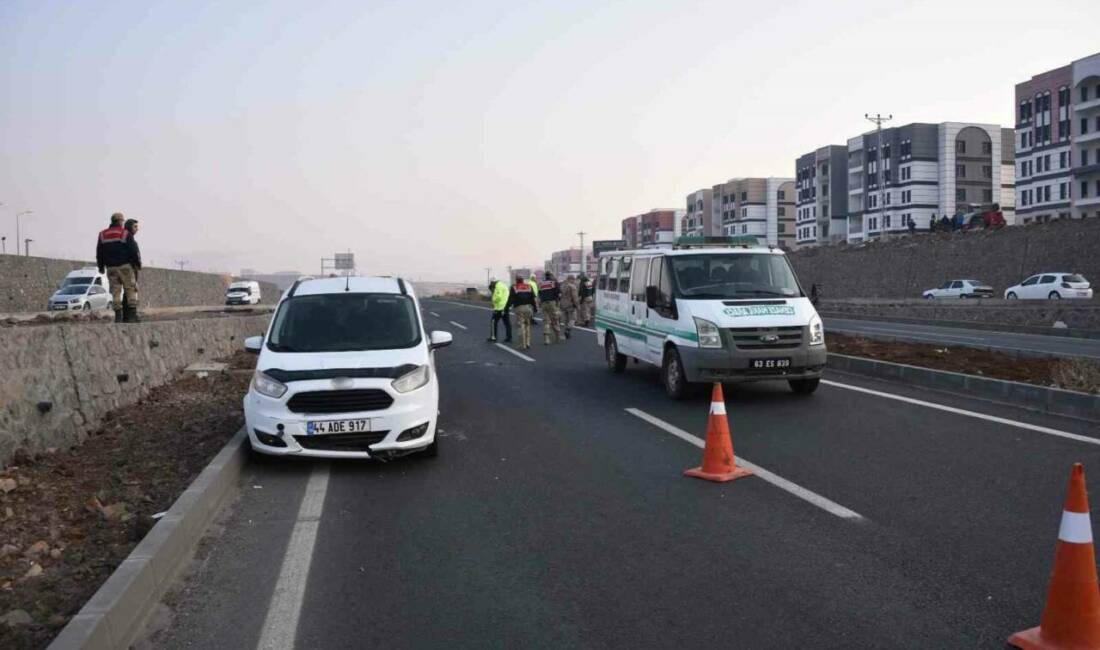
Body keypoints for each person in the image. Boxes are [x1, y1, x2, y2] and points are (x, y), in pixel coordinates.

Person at [96, 212, 141, 323]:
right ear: (121, 221)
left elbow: (99, 252)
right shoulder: (125, 233)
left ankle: (118, 317)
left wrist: (101, 267)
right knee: (130, 289)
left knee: (115, 292)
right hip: (125, 266)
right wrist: (137, 264)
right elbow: (133, 250)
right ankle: (131, 316)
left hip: (110, 268)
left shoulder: (102, 234)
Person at [507, 274, 537, 350]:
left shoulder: (514, 287)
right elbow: (533, 298)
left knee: (521, 325)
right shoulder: (529, 286)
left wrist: (506, 308)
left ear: (516, 280)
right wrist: (535, 308)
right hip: (528, 308)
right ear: (523, 280)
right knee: (527, 325)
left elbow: (511, 299)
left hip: (519, 308)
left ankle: (522, 344)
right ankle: (528, 343)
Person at [537, 271, 564, 345]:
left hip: (544, 303)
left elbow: (539, 294)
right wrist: (558, 302)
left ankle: (546, 339)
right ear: (551, 275)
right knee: (555, 319)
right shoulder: (554, 282)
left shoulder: (541, 284)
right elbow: (559, 293)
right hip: (552, 303)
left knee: (546, 321)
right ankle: (558, 336)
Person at [487, 278, 512, 343]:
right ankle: (509, 337)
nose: (491, 283)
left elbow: (498, 296)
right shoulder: (503, 285)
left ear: (493, 282)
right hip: (505, 307)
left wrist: (493, 301)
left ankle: (493, 337)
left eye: (491, 282)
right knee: (507, 323)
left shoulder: (498, 286)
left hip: (499, 308)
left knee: (493, 322)